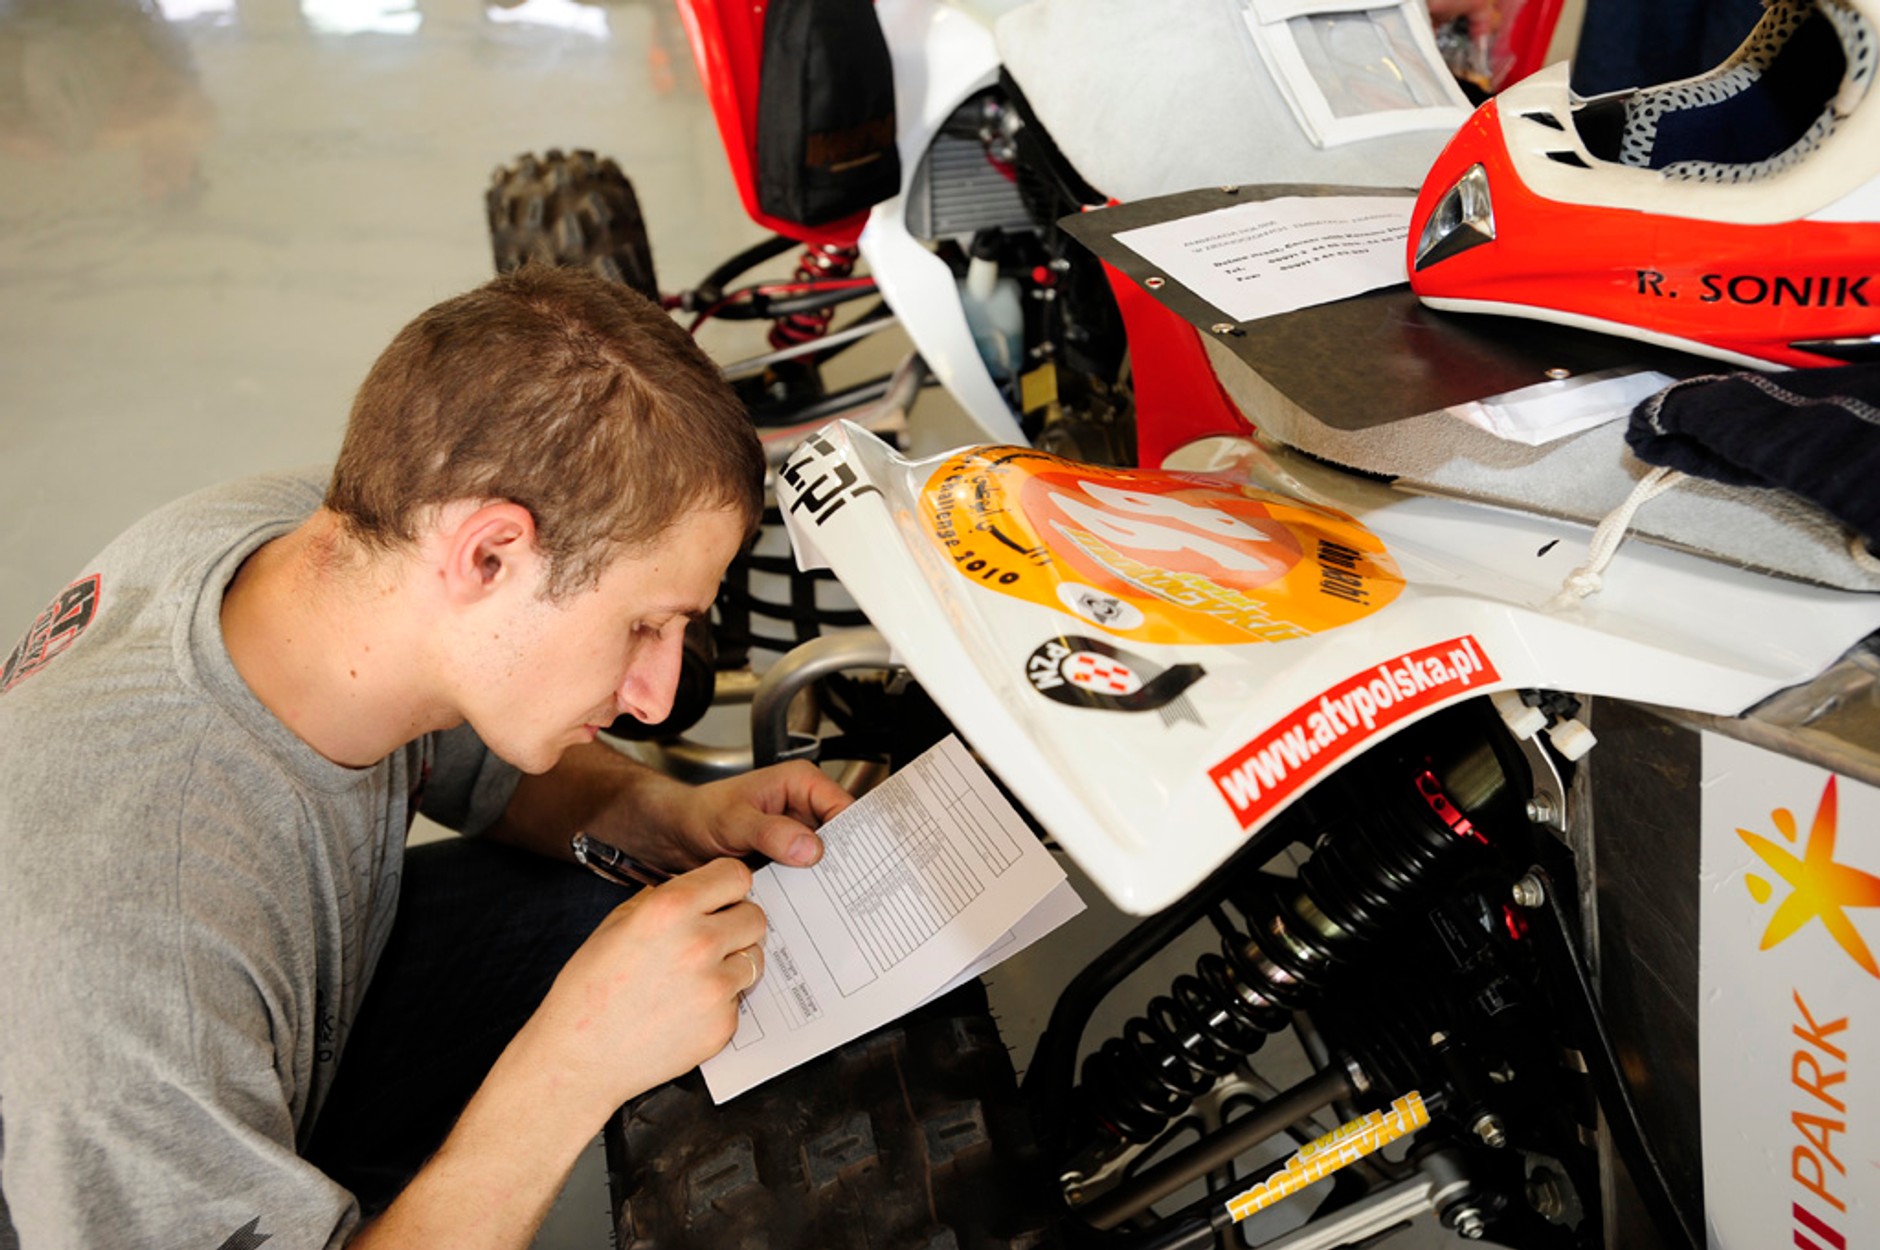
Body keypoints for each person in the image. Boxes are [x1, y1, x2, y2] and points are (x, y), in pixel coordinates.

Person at [0, 265, 854, 1249]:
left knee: (681, 911)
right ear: (488, 554)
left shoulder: (313, 553)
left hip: (273, 1028)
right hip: (97, 1186)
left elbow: (466, 754)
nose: (656, 696)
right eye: (643, 626)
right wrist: (567, 1069)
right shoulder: (141, 940)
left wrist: (667, 814)